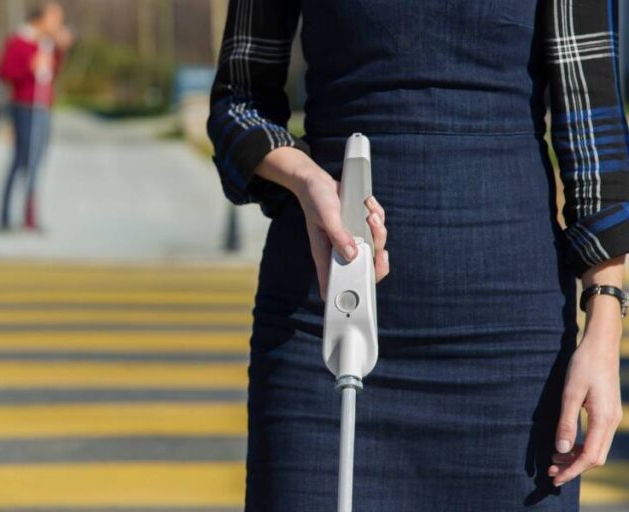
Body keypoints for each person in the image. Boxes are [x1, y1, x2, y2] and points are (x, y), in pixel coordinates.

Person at [207, 0, 629, 510]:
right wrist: (307, 180)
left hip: (511, 350)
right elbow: (239, 106)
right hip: (324, 324)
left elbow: (593, 134)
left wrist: (604, 331)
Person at [0, 0, 73, 232]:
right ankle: (5, 216)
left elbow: (51, 73)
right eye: (54, 19)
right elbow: (4, 72)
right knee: (21, 159)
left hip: (43, 106)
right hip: (24, 106)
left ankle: (30, 216)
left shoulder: (48, 45)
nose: (58, 24)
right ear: (40, 19)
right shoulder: (19, 41)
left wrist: (60, 51)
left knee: (37, 161)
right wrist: (29, 67)